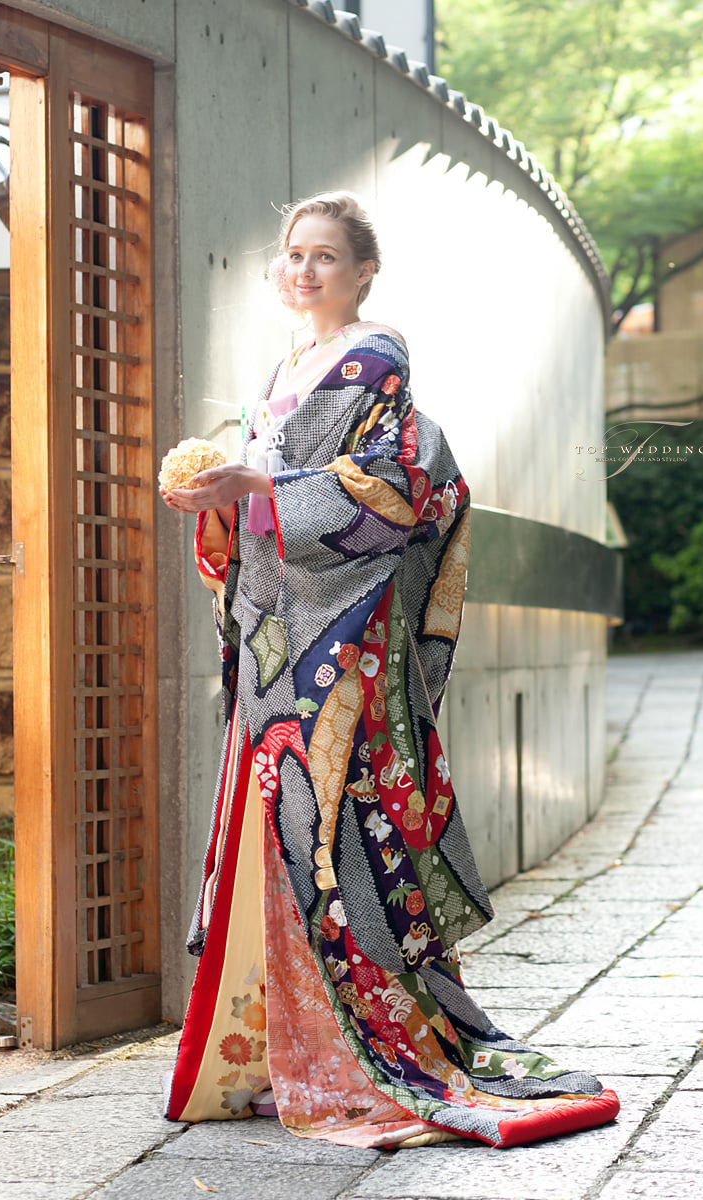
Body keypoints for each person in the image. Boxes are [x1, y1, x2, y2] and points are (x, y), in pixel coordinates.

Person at [159, 190, 620, 1149]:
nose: (304, 270)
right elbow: (266, 499)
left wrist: (258, 483)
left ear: (365, 271)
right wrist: (219, 501)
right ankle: (286, 1049)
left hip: (341, 639)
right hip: (278, 633)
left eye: (326, 256)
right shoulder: (286, 365)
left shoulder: (375, 359)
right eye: (293, 253)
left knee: (342, 833)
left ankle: (361, 1050)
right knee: (282, 828)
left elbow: (397, 491)